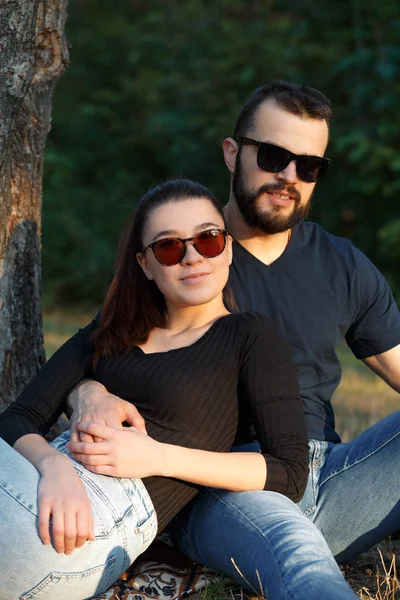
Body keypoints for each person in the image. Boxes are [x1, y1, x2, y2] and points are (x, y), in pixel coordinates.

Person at [68, 81, 400, 600]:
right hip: (225, 483)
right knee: (298, 555)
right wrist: (89, 393)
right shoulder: (182, 255)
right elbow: (92, 357)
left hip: (331, 476)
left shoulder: (344, 264)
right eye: (273, 156)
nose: (288, 177)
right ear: (232, 152)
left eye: (308, 166)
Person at [0, 178, 325, 600]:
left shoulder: (250, 335)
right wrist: (54, 466)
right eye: (169, 247)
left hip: (91, 529)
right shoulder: (110, 330)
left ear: (227, 247)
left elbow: (288, 472)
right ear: (146, 264)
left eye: (207, 239)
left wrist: (155, 456)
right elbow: (17, 418)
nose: (191, 257)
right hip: (43, 486)